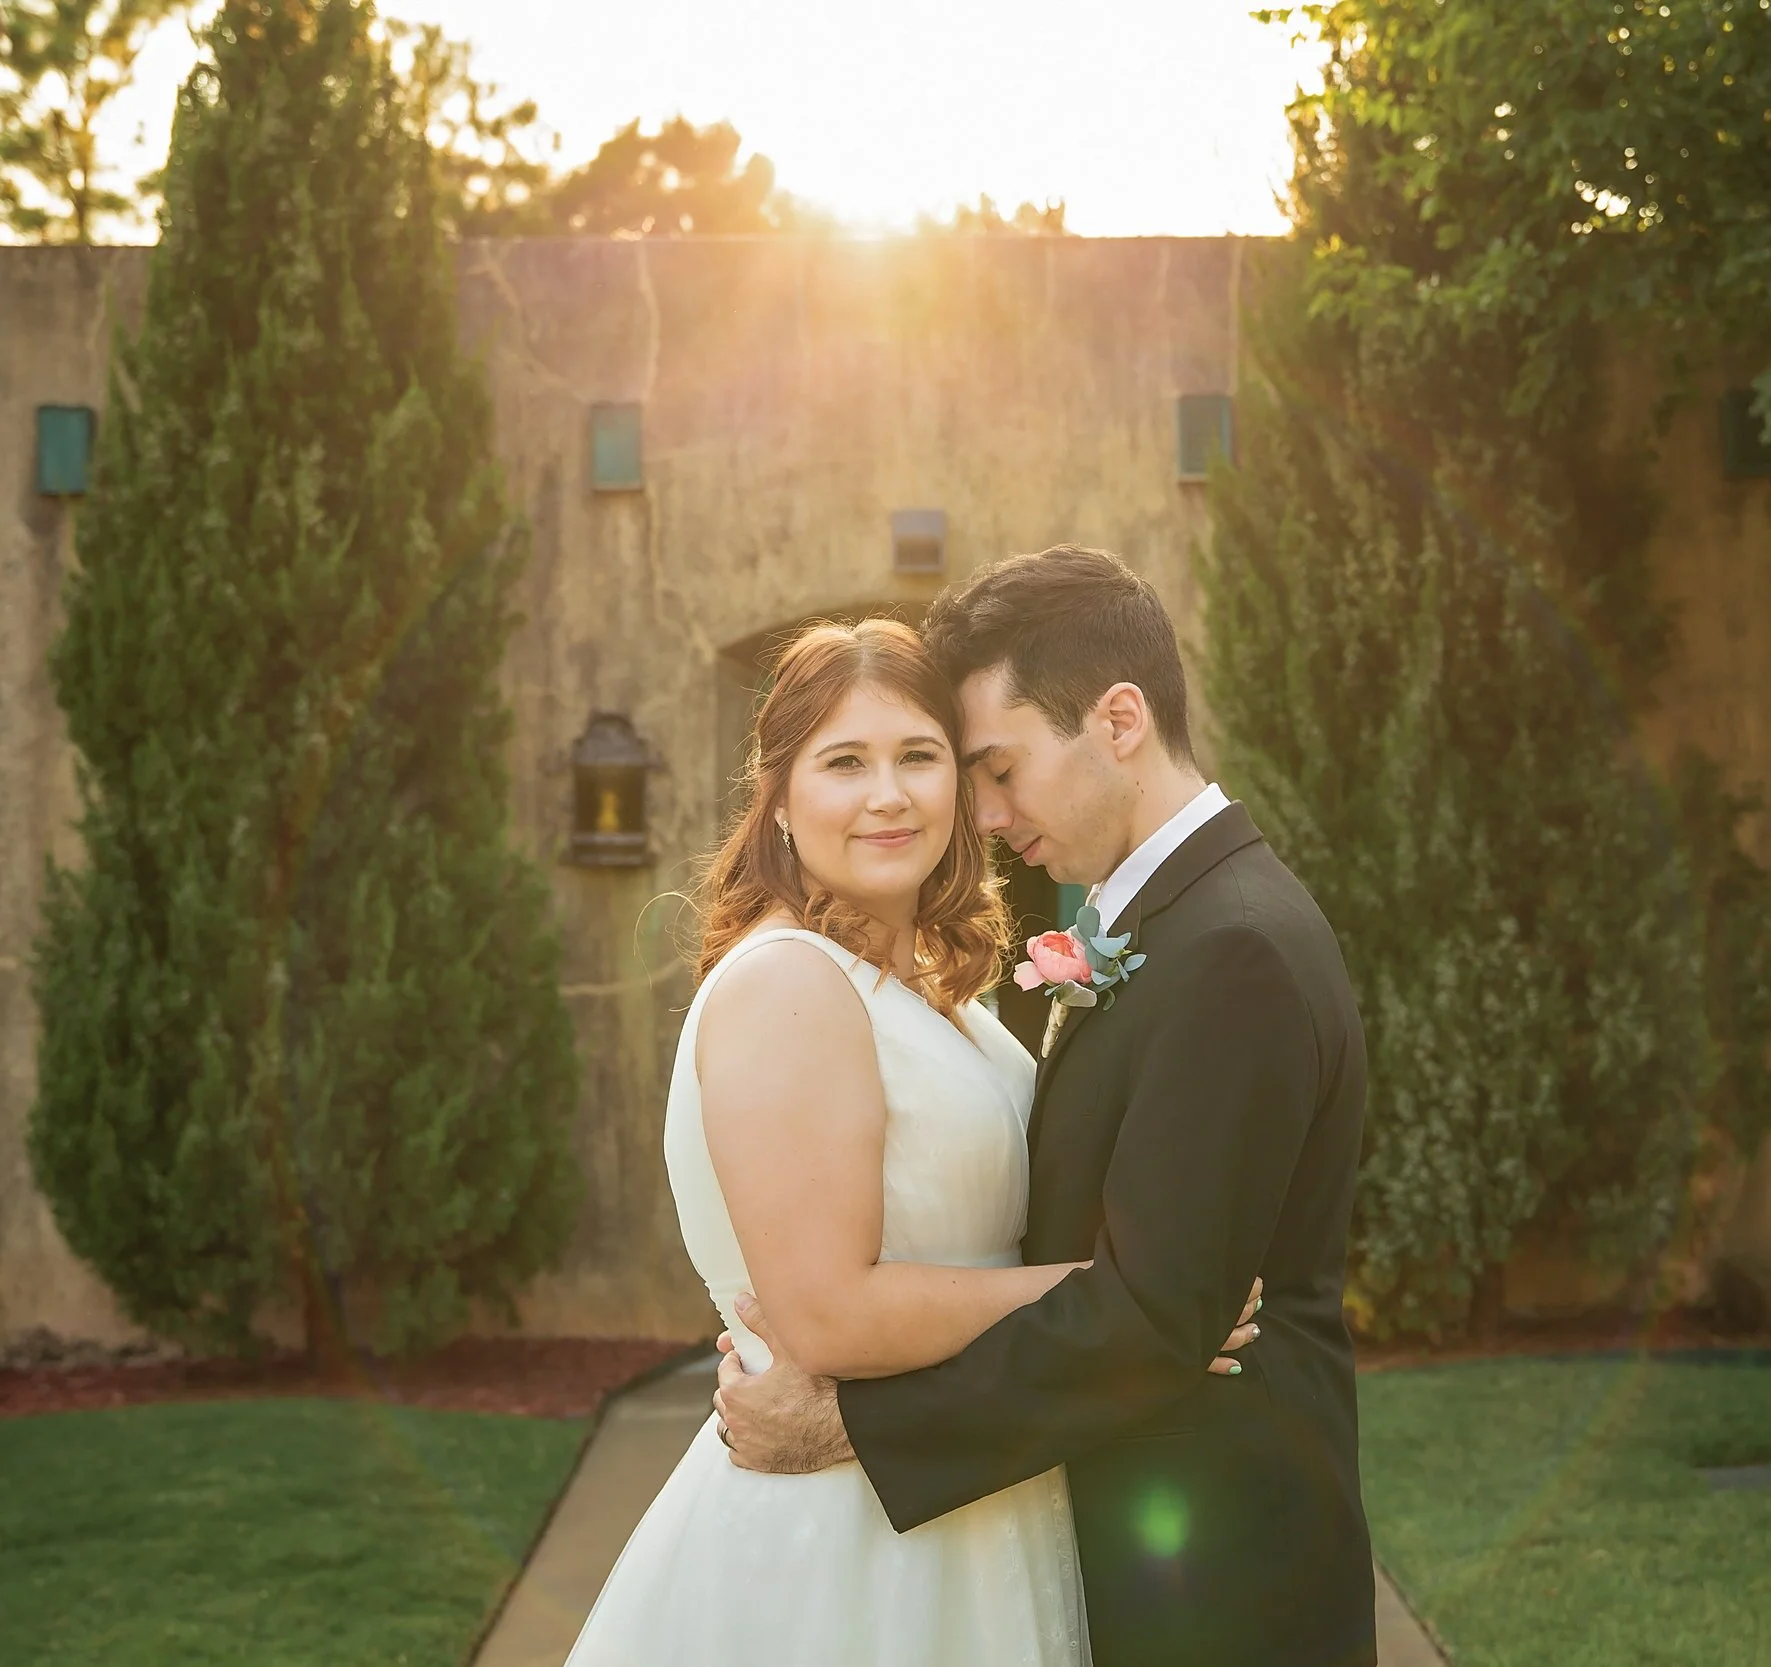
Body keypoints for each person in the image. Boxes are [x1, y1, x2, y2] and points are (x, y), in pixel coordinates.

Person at [717, 547, 1376, 1667]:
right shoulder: (1176, 918)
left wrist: (847, 1426)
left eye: (998, 768)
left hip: (1218, 1581)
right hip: (1138, 1539)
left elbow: (1153, 1315)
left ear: (1118, 719)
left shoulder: (1234, 948)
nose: (981, 810)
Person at [563, 617, 1258, 1667]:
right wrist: (1126, 1302)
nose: (888, 793)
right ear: (782, 800)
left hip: (969, 1490)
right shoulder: (787, 983)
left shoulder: (943, 998)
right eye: (844, 762)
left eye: (919, 756)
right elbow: (830, 1314)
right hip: (844, 1547)